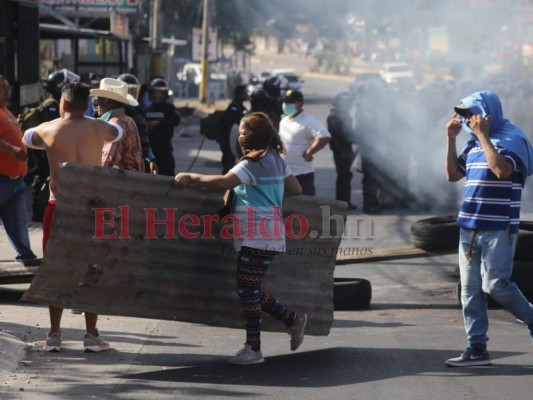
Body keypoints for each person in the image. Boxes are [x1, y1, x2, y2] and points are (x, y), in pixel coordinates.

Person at [173, 112, 307, 365]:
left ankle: (257, 346)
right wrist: (268, 195)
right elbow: (296, 189)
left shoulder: (252, 163)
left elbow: (224, 181)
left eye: (245, 132)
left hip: (258, 234)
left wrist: (190, 178)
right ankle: (289, 322)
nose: (241, 136)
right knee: (248, 289)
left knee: (248, 289)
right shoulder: (276, 159)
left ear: (257, 135)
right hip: (269, 232)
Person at [22, 81, 123, 353]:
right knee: (92, 269)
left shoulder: (47, 129)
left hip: (60, 207)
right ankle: (91, 335)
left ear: (63, 103)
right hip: (92, 209)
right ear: (87, 104)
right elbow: (118, 131)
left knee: (56, 268)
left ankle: (54, 334)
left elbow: (27, 137)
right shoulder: (99, 127)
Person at [444, 90, 533, 367]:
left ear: (488, 112)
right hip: (469, 225)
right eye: (465, 115)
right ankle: (477, 347)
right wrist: (451, 139)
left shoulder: (512, 139)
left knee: (495, 284)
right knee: (469, 290)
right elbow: (452, 175)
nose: (469, 120)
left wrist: (483, 136)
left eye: (472, 114)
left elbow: (502, 171)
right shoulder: (471, 145)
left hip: (498, 226)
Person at [0, 75, 39, 264]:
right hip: (2, 179)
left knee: (18, 222)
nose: (7, 91)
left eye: (8, 87)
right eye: (2, 87)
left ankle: (26, 256)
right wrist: (12, 149)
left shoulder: (7, 112)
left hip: (17, 181)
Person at [278, 90, 330, 196]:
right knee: (285, 209)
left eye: (290, 102)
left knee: (304, 208)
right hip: (284, 174)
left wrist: (310, 152)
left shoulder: (308, 121)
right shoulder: (283, 121)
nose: (286, 105)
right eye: (285, 102)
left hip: (302, 175)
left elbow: (324, 136)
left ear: (300, 103)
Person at [91, 77, 144, 172]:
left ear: (108, 101)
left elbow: (107, 163)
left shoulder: (115, 124)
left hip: (119, 183)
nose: (96, 102)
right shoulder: (127, 120)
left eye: (99, 98)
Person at [117, 73, 157, 174]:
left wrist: (151, 158)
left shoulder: (137, 111)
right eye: (127, 90)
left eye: (133, 89)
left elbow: (144, 138)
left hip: (135, 162)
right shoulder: (113, 111)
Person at [327, 91, 357, 210]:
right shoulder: (335, 117)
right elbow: (336, 136)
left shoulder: (344, 115)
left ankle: (345, 201)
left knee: (346, 176)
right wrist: (342, 151)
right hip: (341, 151)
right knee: (343, 176)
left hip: (346, 149)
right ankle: (342, 202)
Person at [144, 77, 181, 176]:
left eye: (160, 93)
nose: (157, 95)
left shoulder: (168, 108)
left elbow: (176, 120)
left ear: (165, 94)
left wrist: (159, 122)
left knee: (167, 173)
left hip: (164, 147)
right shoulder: (148, 109)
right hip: (150, 148)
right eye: (154, 92)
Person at [219, 84, 248, 174]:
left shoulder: (239, 107)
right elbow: (232, 126)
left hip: (231, 141)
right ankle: (225, 185)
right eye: (244, 93)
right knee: (228, 166)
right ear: (239, 94)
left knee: (232, 165)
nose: (246, 94)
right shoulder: (234, 108)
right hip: (227, 141)